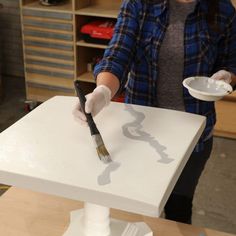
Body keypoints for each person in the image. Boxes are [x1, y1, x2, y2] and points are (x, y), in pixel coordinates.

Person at [73, 0, 236, 224]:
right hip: (143, 132)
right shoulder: (138, 4)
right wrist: (102, 91)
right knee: (140, 207)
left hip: (193, 135)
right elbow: (118, 54)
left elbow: (232, 61)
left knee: (178, 209)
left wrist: (227, 77)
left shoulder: (223, 10)